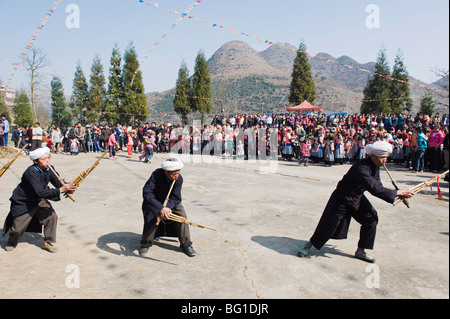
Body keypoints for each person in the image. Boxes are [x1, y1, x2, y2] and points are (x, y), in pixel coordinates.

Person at [298, 141, 414, 263]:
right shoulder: (361, 167)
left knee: (371, 219)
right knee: (329, 225)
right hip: (342, 198)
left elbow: (378, 185)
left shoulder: (375, 167)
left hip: (357, 198)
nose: (385, 160)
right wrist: (398, 192)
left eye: (386, 157)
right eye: (383, 157)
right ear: (373, 156)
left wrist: (397, 194)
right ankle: (308, 245)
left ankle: (361, 250)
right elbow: (374, 188)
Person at [2, 147, 76, 253]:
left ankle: (48, 241)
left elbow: (58, 182)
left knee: (51, 217)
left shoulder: (50, 169)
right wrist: (60, 190)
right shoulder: (31, 172)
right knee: (17, 228)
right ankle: (12, 241)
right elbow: (41, 191)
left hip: (38, 199)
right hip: (24, 200)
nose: (47, 161)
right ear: (35, 161)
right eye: (44, 159)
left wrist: (68, 186)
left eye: (48, 158)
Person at [139, 158, 196, 257]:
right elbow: (147, 192)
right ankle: (146, 243)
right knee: (151, 217)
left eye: (178, 173)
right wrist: (160, 208)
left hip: (171, 202)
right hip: (155, 201)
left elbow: (176, 198)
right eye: (174, 174)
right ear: (166, 172)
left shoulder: (178, 179)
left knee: (182, 216)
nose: (176, 176)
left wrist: (168, 208)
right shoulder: (156, 175)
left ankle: (186, 244)